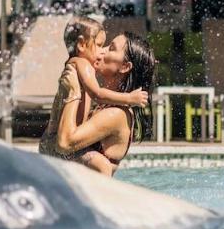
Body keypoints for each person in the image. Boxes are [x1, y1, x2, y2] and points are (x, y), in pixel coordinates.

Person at [39, 18, 147, 174]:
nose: (102, 51)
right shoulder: (83, 66)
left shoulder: (116, 113)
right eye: (100, 45)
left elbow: (64, 143)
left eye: (110, 48)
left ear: (125, 66)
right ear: (82, 45)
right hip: (54, 147)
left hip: (52, 146)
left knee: (101, 164)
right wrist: (129, 98)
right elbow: (98, 94)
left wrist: (73, 92)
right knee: (100, 164)